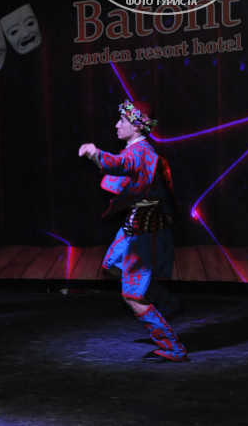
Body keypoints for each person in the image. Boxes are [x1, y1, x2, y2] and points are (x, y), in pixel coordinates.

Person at [78, 99, 188, 363]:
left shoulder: (141, 153)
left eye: (123, 121)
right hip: (134, 225)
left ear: (137, 127)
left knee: (132, 296)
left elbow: (119, 164)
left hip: (144, 232)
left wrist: (94, 153)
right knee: (112, 266)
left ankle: (172, 347)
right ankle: (168, 303)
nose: (117, 125)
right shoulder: (138, 149)